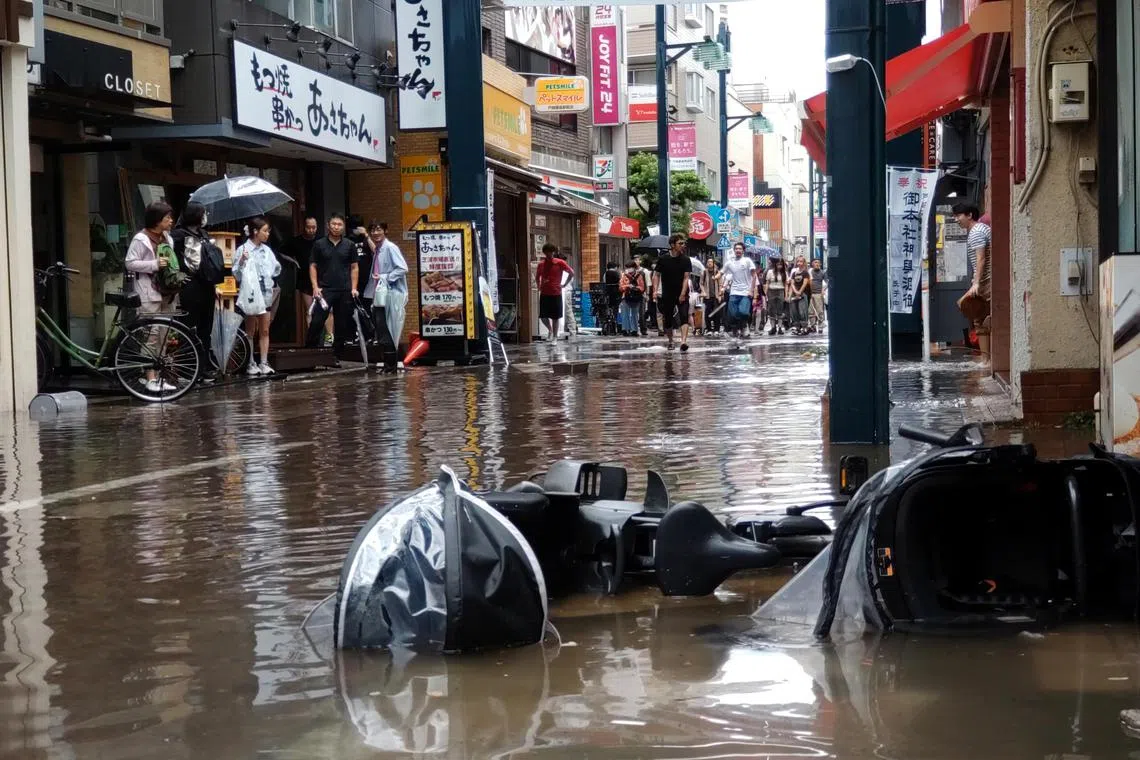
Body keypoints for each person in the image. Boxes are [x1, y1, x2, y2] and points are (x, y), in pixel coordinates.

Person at [125, 200, 176, 392]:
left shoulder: (168, 238)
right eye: (167, 218)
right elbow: (130, 263)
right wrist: (154, 264)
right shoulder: (141, 239)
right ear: (157, 220)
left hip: (167, 292)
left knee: (164, 334)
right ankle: (149, 377)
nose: (171, 221)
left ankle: (160, 376)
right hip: (149, 292)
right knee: (151, 334)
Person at [170, 201, 217, 377]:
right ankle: (187, 368)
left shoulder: (204, 234)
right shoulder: (177, 235)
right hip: (189, 286)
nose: (205, 217)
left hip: (207, 286)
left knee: (206, 329)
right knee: (188, 327)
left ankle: (204, 367)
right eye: (203, 213)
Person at [306, 213, 359, 363]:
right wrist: (315, 286)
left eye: (339, 224)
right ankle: (309, 353)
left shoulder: (349, 245)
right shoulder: (319, 244)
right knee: (317, 320)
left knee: (342, 324)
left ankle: (335, 356)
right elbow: (313, 266)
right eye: (334, 224)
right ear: (328, 225)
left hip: (344, 289)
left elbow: (354, 267)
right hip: (325, 289)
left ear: (343, 227)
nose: (336, 227)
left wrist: (354, 288)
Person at [233, 217, 282, 375]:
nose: (267, 234)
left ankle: (264, 361)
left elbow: (276, 268)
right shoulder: (243, 249)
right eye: (265, 231)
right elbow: (236, 275)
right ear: (255, 231)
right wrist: (242, 261)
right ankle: (250, 362)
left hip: (265, 291)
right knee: (250, 329)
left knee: (265, 329)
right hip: (251, 293)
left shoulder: (267, 250)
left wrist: (268, 276)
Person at [363, 222, 409, 373]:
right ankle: (389, 365)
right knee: (383, 329)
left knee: (388, 329)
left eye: (379, 229)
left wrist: (385, 276)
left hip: (391, 294)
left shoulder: (390, 248)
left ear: (385, 231)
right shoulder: (378, 249)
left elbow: (402, 268)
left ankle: (391, 366)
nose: (376, 233)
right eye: (373, 230)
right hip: (381, 294)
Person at [954, 202, 992, 358]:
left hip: (986, 280)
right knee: (980, 319)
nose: (956, 219)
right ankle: (986, 359)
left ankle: (986, 360)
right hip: (985, 279)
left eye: (958, 215)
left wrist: (976, 283)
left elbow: (981, 259)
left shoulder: (976, 231)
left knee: (981, 319)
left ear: (969, 215)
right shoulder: (979, 229)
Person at [653, 234, 693, 351]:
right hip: (667, 293)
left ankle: (683, 341)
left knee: (684, 316)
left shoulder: (686, 259)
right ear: (672, 245)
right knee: (668, 319)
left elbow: (686, 278)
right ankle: (670, 341)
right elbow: (656, 275)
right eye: (680, 243)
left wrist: (682, 293)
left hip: (682, 292)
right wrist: (655, 291)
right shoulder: (663, 259)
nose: (683, 246)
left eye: (683, 243)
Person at [536, 243, 573, 341]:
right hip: (544, 293)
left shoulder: (560, 263)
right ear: (544, 252)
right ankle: (550, 330)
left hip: (556, 292)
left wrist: (564, 284)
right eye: (547, 252)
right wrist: (539, 286)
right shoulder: (541, 264)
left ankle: (555, 337)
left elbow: (571, 273)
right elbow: (537, 277)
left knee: (555, 317)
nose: (550, 254)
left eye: (551, 252)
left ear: (554, 252)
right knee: (543, 316)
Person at [720, 242, 758, 339]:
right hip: (734, 292)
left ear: (743, 250)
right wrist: (718, 282)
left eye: (740, 249)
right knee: (732, 314)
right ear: (734, 250)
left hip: (745, 292)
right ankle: (736, 329)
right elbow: (721, 273)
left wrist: (752, 291)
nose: (738, 250)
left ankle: (744, 325)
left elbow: (754, 276)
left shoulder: (747, 261)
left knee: (743, 312)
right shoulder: (730, 262)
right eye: (736, 248)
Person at [290, 216, 319, 322]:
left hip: (321, 278)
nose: (311, 230)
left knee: (325, 310)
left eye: (314, 227)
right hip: (304, 279)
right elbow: (281, 251)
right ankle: (312, 337)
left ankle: (327, 337)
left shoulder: (321, 241)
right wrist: (293, 261)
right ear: (304, 227)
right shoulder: (297, 241)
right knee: (310, 310)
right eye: (308, 227)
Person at [618, 260, 646, 336]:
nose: (629, 269)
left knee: (635, 314)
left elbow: (642, 287)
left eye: (630, 267)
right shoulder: (624, 276)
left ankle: (634, 330)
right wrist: (627, 286)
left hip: (636, 297)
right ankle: (625, 329)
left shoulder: (639, 276)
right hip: (625, 296)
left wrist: (634, 287)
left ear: (634, 268)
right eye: (627, 268)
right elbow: (620, 287)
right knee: (625, 314)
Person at [764, 256, 788, 335]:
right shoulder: (770, 272)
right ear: (775, 264)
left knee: (780, 310)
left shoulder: (784, 273)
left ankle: (780, 328)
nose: (779, 266)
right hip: (771, 291)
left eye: (781, 264)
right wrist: (765, 294)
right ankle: (773, 327)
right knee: (771, 310)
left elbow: (786, 285)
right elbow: (767, 283)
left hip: (780, 291)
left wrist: (786, 295)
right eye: (778, 264)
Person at [788, 255, 812, 334]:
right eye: (798, 261)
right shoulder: (794, 272)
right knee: (794, 312)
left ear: (804, 263)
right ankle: (797, 328)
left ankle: (804, 328)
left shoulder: (805, 272)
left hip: (803, 294)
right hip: (795, 295)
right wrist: (794, 293)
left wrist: (800, 292)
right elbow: (792, 283)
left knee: (802, 311)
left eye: (801, 261)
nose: (799, 263)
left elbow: (805, 283)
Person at [701, 258, 723, 335]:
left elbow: (720, 284)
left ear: (714, 264)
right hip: (707, 296)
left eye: (711, 262)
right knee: (707, 313)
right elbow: (701, 284)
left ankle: (717, 329)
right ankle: (709, 329)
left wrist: (720, 294)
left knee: (717, 313)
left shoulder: (717, 272)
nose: (709, 263)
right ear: (706, 263)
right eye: (708, 262)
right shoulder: (704, 272)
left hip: (716, 296)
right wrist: (703, 291)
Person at [558, 253, 577, 339]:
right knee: (567, 310)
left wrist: (564, 285)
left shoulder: (564, 268)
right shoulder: (566, 268)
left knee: (567, 310)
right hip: (565, 290)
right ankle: (570, 329)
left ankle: (572, 330)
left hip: (565, 291)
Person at [809, 258, 827, 331]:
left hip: (818, 293)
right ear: (812, 264)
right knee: (810, 311)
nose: (817, 264)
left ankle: (820, 326)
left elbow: (826, 282)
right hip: (810, 293)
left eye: (818, 263)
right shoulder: (809, 272)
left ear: (820, 264)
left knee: (820, 310)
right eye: (815, 262)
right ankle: (813, 326)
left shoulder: (822, 273)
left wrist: (823, 290)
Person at [638, 258, 654, 336]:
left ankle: (643, 329)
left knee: (642, 312)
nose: (636, 262)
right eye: (635, 260)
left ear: (640, 261)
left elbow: (648, 284)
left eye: (637, 260)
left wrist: (647, 294)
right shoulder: (630, 271)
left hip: (642, 294)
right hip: (632, 294)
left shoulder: (645, 271)